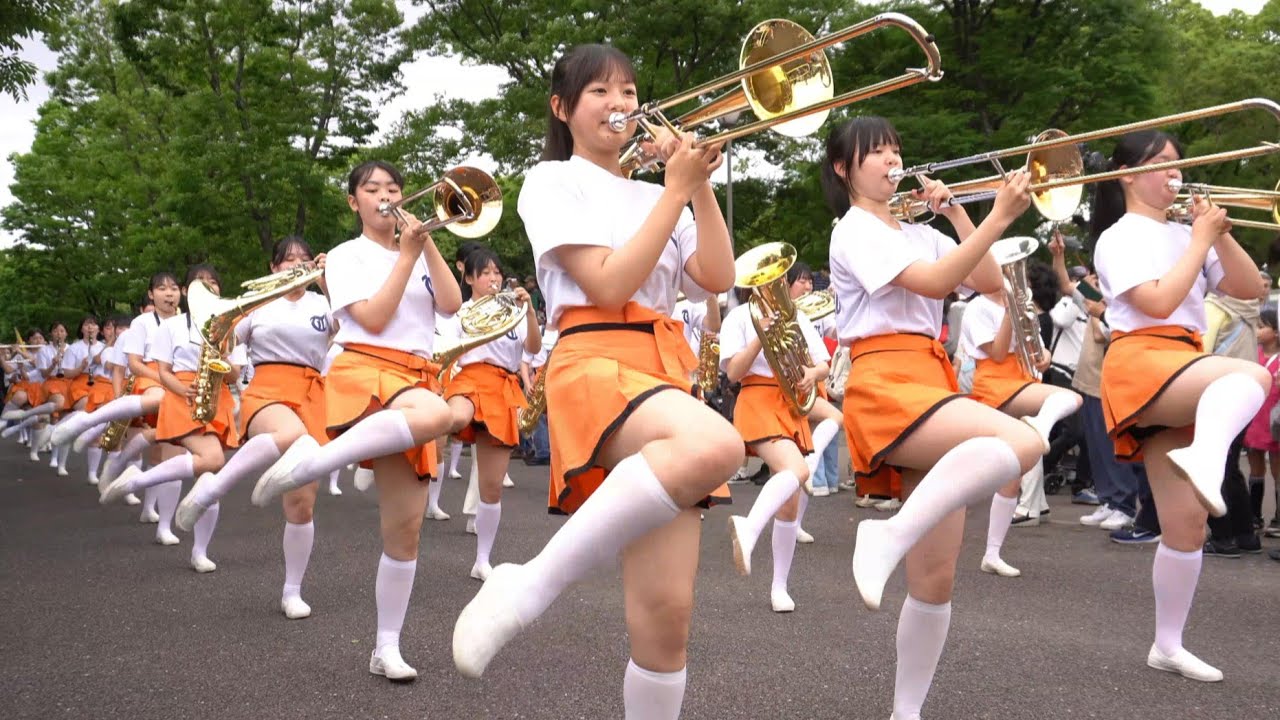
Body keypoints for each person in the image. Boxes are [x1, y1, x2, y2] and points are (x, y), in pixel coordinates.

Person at [451, 44, 742, 720]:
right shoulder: (551, 181)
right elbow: (608, 284)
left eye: (629, 91)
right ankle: (530, 582)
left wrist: (696, 186)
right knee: (717, 445)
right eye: (601, 92)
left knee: (666, 619)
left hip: (661, 369)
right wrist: (676, 191)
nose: (620, 104)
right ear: (562, 108)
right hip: (593, 359)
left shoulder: (658, 192)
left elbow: (720, 277)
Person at [823, 115, 1044, 720]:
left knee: (936, 579)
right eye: (876, 152)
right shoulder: (854, 228)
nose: (892, 161)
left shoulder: (920, 231)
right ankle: (886, 534)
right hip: (885, 379)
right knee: (1022, 443)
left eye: (895, 149)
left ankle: (907, 711)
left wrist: (959, 215)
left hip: (930, 376)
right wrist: (1000, 216)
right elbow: (933, 282)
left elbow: (990, 282)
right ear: (844, 168)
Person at [251, 159, 460, 682]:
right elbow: (372, 319)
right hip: (365, 367)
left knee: (405, 529)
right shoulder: (346, 255)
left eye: (393, 188)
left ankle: (386, 648)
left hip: (414, 376)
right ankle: (316, 463)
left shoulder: (418, 249)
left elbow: (453, 304)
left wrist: (427, 242)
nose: (386, 196)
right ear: (354, 202)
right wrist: (406, 256)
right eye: (372, 189)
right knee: (438, 413)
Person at [1092, 129, 1269, 682]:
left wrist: (1220, 237)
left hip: (1184, 361)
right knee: (1251, 374)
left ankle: (1167, 645)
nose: (1175, 173)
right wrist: (1199, 240)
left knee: (1187, 525)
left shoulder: (1185, 232)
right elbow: (1158, 301)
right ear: (1127, 174)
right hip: (1142, 360)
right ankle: (1207, 458)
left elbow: (1251, 290)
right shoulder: (1118, 236)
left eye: (1178, 163)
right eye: (1162, 163)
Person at [174, 237, 332, 617]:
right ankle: (215, 487)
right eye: (288, 259)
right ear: (273, 267)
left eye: (304, 258)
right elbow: (223, 342)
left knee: (302, 503)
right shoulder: (259, 304)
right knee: (292, 435)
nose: (297, 264)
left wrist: (329, 283)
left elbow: (351, 328)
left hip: (314, 393)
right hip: (267, 388)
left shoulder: (324, 303)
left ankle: (292, 591)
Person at [720, 285, 839, 612]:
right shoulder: (738, 317)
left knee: (789, 503)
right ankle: (749, 527)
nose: (775, 284)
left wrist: (811, 374)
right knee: (797, 470)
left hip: (790, 402)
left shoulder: (794, 315)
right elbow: (733, 373)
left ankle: (779, 587)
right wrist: (761, 335)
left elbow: (824, 364)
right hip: (757, 400)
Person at [958, 289, 1082, 577]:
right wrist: (1009, 311)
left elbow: (1038, 348)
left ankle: (992, 554)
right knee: (1069, 398)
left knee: (1010, 476)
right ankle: (1040, 427)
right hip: (996, 383)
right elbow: (998, 353)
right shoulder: (977, 307)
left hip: (1023, 379)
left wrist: (1045, 356)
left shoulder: (1021, 302)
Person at [441, 246, 541, 580]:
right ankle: (399, 438)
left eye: (496, 271)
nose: (493, 278)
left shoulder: (513, 310)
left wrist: (529, 311)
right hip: (470, 379)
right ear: (469, 278)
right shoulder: (460, 312)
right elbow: (446, 351)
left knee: (492, 487)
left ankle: (482, 560)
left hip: (503, 387)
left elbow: (533, 348)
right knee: (452, 418)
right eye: (484, 273)